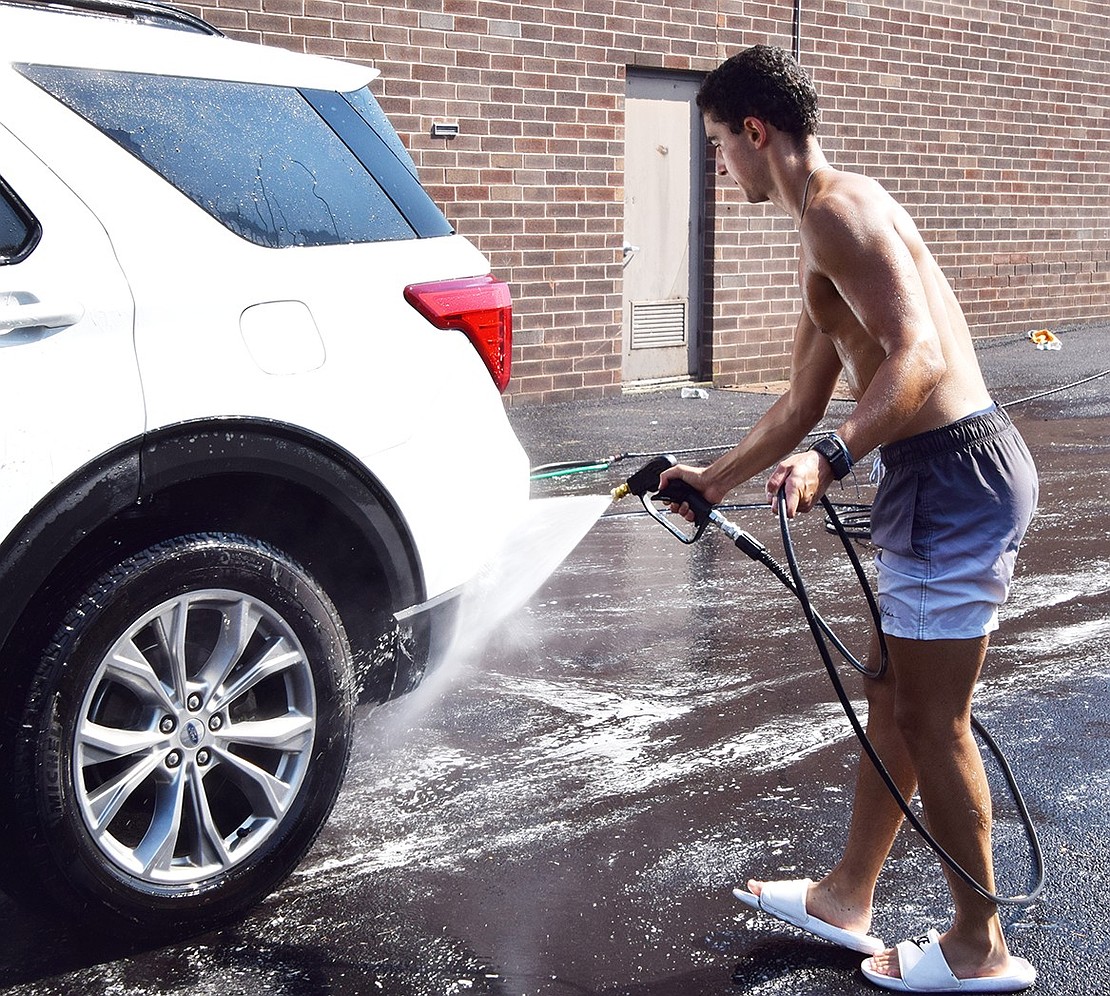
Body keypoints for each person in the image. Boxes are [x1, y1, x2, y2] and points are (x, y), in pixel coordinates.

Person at [658, 45, 1039, 993]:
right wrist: (709, 480)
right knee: (891, 694)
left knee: (932, 716)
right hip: (937, 475)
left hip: (952, 476)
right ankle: (845, 896)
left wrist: (833, 457)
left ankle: (978, 948)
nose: (720, 167)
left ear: (756, 132)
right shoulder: (825, 227)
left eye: (718, 146)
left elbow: (918, 363)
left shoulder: (837, 213)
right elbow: (797, 403)